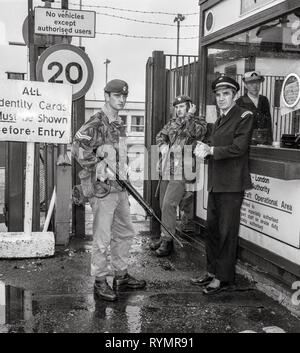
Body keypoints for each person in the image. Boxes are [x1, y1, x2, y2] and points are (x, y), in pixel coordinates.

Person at [72, 79, 146, 302]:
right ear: (106, 96)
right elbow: (78, 148)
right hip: (102, 189)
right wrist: (99, 166)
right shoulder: (96, 123)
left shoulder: (117, 123)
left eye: (124, 96)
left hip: (119, 187)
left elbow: (117, 154)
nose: (121, 99)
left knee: (125, 231)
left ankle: (121, 276)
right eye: (116, 95)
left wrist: (123, 168)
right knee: (102, 237)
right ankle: (100, 281)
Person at [191, 76, 254, 295]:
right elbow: (215, 145)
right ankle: (211, 271)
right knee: (213, 231)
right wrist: (204, 150)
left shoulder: (244, 116)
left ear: (234, 95)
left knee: (227, 232)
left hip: (232, 184)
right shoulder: (219, 120)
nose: (221, 98)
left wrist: (212, 151)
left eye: (225, 94)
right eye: (218, 95)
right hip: (217, 183)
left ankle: (223, 277)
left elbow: (239, 147)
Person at [150, 95, 207, 257]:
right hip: (168, 167)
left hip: (183, 168)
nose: (179, 109)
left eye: (182, 106)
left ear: (190, 107)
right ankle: (164, 237)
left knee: (169, 204)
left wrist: (189, 116)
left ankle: (168, 241)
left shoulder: (198, 121)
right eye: (177, 107)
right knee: (163, 204)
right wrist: (162, 146)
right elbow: (160, 135)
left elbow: (193, 132)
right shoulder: (172, 122)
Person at [236, 71, 273, 145]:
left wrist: (270, 142)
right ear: (245, 85)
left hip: (264, 143)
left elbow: (269, 123)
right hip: (247, 144)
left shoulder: (264, 100)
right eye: (251, 83)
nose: (255, 86)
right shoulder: (240, 102)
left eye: (257, 82)